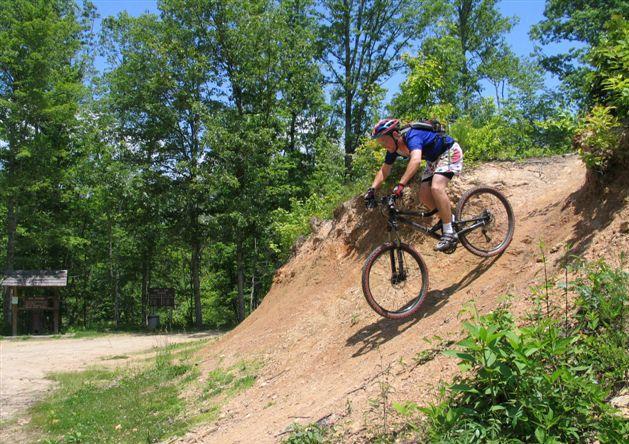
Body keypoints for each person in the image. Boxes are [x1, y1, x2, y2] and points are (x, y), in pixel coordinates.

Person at [364, 118, 464, 252]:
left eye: (383, 140)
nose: (383, 145)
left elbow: (416, 161)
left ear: (394, 135)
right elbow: (385, 170)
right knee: (423, 195)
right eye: (380, 142)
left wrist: (400, 185)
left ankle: (449, 232)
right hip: (433, 160)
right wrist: (371, 190)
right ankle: (448, 218)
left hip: (449, 151)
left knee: (436, 187)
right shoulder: (393, 148)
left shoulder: (412, 135)